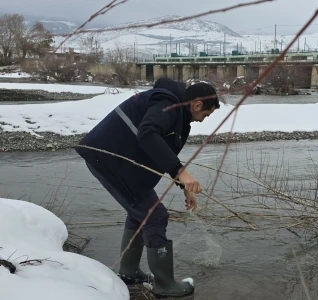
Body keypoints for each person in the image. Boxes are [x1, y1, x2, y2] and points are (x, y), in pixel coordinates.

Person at [75, 78, 219, 298]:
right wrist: (181, 173)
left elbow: (164, 151)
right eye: (205, 115)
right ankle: (165, 285)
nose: (202, 120)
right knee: (154, 215)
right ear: (197, 105)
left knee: (140, 213)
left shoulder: (176, 112)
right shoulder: (167, 104)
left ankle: (129, 272)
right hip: (109, 160)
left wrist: (184, 185)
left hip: (117, 162)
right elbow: (148, 133)